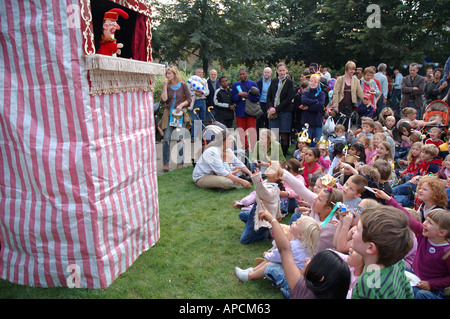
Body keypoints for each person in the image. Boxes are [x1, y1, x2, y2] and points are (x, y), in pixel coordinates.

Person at [257, 203, 351, 299]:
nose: (307, 259)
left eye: (313, 260)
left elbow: (285, 249)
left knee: (270, 267)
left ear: (321, 278)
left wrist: (273, 220)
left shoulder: (305, 293)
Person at [376, 189, 450, 299]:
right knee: (392, 266)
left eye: (430, 223)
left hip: (432, 290)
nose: (424, 223)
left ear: (442, 233)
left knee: (420, 294)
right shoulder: (423, 234)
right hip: (413, 276)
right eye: (426, 220)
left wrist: (430, 284)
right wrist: (389, 199)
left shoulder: (447, 252)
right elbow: (408, 217)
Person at [235, 216, 321, 297]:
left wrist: (266, 254)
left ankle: (248, 276)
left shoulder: (293, 245)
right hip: (300, 282)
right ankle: (251, 270)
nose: (293, 222)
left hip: (291, 282)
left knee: (270, 265)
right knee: (274, 259)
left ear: (300, 235)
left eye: (297, 223)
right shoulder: (309, 248)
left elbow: (275, 256)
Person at [351, 205, 415, 299]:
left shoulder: (367, 286)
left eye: (358, 230)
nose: (353, 231)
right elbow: (407, 289)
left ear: (370, 248)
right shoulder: (396, 261)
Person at [239, 163, 283, 245]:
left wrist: (257, 180)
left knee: (244, 240)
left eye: (272, 169)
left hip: (262, 217)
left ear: (277, 177)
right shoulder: (267, 182)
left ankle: (264, 233)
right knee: (242, 215)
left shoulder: (273, 189)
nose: (269, 168)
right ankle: (258, 228)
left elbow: (263, 192)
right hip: (256, 211)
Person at [159, 66, 192, 172]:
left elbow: (189, 99)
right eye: (167, 73)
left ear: (174, 74)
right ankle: (165, 163)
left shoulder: (183, 85)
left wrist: (181, 105)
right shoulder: (167, 85)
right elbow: (164, 99)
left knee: (180, 139)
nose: (167, 75)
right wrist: (164, 85)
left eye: (169, 73)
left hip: (180, 115)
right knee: (166, 139)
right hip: (169, 115)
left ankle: (180, 162)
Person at [267, 62, 295, 156]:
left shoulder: (289, 83)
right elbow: (269, 95)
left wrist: (277, 109)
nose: (282, 72)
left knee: (284, 133)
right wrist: (271, 107)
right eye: (280, 70)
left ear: (286, 71)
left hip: (285, 111)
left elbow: (288, 98)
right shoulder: (274, 81)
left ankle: (283, 153)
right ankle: (274, 153)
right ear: (277, 71)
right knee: (274, 134)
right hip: (274, 111)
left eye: (283, 70)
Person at [232, 67, 261, 151]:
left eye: (243, 74)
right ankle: (244, 146)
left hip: (251, 111)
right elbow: (233, 98)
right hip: (240, 111)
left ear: (247, 73)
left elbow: (257, 97)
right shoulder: (235, 85)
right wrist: (239, 95)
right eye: (240, 74)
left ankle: (253, 147)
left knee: (252, 130)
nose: (242, 76)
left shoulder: (253, 84)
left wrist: (248, 96)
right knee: (241, 130)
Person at [332, 61, 365, 129]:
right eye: (351, 69)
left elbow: (360, 92)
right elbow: (335, 93)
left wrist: (366, 101)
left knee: (347, 124)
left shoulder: (356, 80)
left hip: (350, 105)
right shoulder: (340, 79)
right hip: (340, 104)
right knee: (338, 124)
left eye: (354, 69)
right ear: (346, 69)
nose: (352, 71)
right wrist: (335, 105)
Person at [298, 74, 326, 147]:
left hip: (317, 122)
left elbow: (320, 106)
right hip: (307, 121)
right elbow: (304, 101)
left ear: (318, 83)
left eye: (315, 82)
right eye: (311, 81)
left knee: (318, 143)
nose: (313, 83)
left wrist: (308, 107)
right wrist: (315, 101)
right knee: (307, 143)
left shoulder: (321, 94)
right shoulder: (305, 93)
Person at [189, 68, 210, 141]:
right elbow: (188, 91)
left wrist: (202, 92)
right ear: (196, 73)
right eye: (199, 72)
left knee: (202, 119)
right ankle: (193, 137)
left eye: (202, 72)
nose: (200, 74)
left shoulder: (204, 81)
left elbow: (207, 92)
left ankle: (202, 136)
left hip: (203, 101)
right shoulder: (191, 80)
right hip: (194, 101)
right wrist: (195, 93)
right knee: (194, 120)